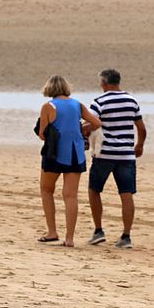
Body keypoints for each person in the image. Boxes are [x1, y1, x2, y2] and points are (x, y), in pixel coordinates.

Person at [36, 75, 99, 246]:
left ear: (50, 89)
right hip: (75, 153)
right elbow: (96, 123)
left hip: (55, 153)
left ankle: (52, 231)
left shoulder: (48, 106)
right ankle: (69, 238)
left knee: (46, 189)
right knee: (70, 196)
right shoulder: (77, 104)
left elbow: (42, 134)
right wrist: (81, 130)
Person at [85, 69, 145, 249]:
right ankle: (126, 236)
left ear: (104, 83)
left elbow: (92, 124)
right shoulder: (132, 101)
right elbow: (141, 128)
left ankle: (98, 231)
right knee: (126, 194)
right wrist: (139, 145)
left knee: (94, 190)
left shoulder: (99, 102)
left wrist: (81, 131)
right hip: (126, 154)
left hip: (104, 153)